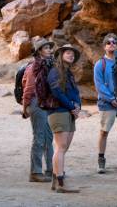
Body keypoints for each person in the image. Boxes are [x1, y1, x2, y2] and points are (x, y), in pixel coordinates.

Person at [47, 44, 82, 192]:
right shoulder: (55, 72)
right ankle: (61, 183)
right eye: (67, 53)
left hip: (68, 113)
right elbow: (57, 93)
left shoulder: (68, 73)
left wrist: (78, 106)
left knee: (64, 147)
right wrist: (72, 107)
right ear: (60, 55)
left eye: (72, 53)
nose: (71, 55)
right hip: (58, 112)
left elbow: (75, 92)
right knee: (61, 147)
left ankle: (55, 181)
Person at [21, 38, 55, 182]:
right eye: (46, 48)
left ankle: (52, 170)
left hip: (47, 103)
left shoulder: (50, 64)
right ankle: (35, 172)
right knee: (39, 137)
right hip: (36, 102)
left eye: (49, 48)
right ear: (39, 51)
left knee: (49, 137)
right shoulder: (33, 67)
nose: (49, 50)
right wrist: (25, 108)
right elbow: (28, 89)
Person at [94, 33, 117, 174]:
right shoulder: (100, 64)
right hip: (107, 104)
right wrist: (111, 99)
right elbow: (99, 85)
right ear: (104, 46)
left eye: (114, 42)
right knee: (104, 132)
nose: (111, 44)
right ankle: (101, 159)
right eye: (108, 42)